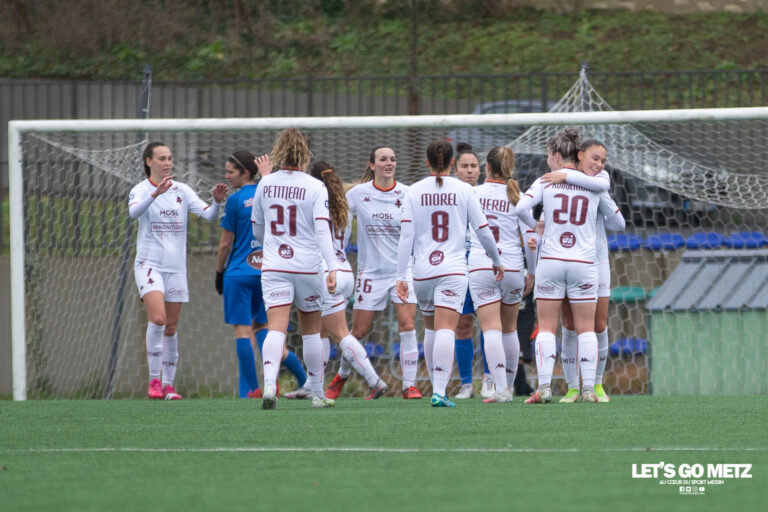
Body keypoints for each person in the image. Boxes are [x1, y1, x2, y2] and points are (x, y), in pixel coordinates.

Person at [396, 139, 503, 407]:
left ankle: (436, 386)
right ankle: (440, 392)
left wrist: (400, 275)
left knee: (431, 329)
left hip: (422, 271)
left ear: (427, 162)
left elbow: (406, 236)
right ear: (453, 163)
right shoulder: (465, 190)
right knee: (447, 328)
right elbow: (483, 229)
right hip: (453, 269)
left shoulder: (413, 191)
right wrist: (496, 259)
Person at [515, 127, 618, 404]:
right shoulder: (593, 182)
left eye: (549, 155)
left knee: (548, 327)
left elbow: (520, 209)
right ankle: (588, 390)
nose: (548, 160)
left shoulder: (546, 180)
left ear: (558, 155)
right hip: (583, 262)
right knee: (586, 328)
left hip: (550, 260)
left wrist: (535, 229)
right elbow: (614, 216)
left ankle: (545, 388)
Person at [129, 142, 227, 400]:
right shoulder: (140, 190)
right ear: (149, 161)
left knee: (171, 327)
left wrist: (217, 203)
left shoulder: (182, 190)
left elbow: (208, 216)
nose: (167, 162)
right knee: (158, 319)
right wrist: (154, 195)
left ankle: (169, 385)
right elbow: (132, 213)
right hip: (149, 265)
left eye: (170, 158)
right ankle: (153, 381)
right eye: (161, 158)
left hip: (175, 269)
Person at [251, 128, 340, 409]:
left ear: (279, 152)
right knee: (312, 330)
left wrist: (274, 245)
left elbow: (257, 228)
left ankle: (268, 386)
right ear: (306, 154)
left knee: (275, 327)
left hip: (275, 264)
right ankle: (316, 394)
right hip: (306, 265)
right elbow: (323, 231)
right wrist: (333, 266)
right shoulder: (315, 186)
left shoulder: (265, 183)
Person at [325, 146, 422, 400]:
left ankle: (408, 386)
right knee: (357, 332)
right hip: (371, 273)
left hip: (402, 272)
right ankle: (342, 377)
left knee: (408, 324)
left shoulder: (408, 194)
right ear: (372, 165)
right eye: (383, 159)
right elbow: (340, 220)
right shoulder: (358, 194)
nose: (389, 163)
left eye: (392, 158)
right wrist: (337, 255)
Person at [214, 151, 308, 399]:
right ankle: (300, 379)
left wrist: (218, 271)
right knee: (266, 328)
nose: (227, 176)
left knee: (243, 331)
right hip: (267, 271)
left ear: (245, 172)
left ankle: (250, 389)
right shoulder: (272, 192)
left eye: (231, 172)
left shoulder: (235, 200)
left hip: (239, 272)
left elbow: (225, 243)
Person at [538, 139, 625, 403]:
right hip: (568, 260)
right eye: (594, 159)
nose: (598, 165)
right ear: (579, 156)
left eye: (602, 161)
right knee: (570, 325)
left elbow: (619, 223)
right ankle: (573, 387)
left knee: (598, 324)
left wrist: (600, 210)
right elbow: (542, 222)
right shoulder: (561, 183)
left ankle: (596, 385)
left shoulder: (599, 184)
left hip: (596, 262)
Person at [468, 145, 537, 403]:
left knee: (491, 329)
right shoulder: (517, 195)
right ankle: (507, 385)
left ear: (486, 167)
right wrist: (532, 272)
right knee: (509, 330)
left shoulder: (473, 192)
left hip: (481, 265)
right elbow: (531, 234)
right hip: (513, 267)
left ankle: (502, 390)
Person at [450, 143, 491, 400]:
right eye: (464, 166)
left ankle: (490, 379)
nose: (469, 171)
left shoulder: (486, 196)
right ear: (454, 170)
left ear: (481, 170)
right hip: (457, 267)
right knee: (462, 324)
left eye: (473, 166)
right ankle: (466, 383)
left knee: (489, 323)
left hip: (483, 266)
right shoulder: (450, 196)